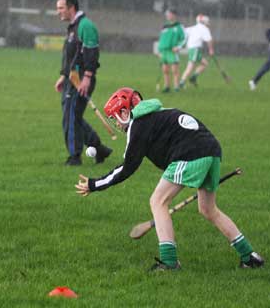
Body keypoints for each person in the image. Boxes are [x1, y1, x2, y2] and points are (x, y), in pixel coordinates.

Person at [75, 87, 264, 271]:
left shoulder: (139, 125)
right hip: (212, 151)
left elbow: (127, 167)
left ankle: (169, 262)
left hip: (191, 154)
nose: (115, 123)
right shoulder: (158, 114)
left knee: (158, 201)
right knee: (208, 209)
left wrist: (94, 184)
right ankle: (250, 257)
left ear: (124, 112)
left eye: (114, 117)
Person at [54, 0, 112, 166]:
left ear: (71, 7)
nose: (58, 12)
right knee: (74, 117)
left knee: (70, 117)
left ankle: (74, 156)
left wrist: (87, 77)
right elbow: (73, 56)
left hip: (80, 80)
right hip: (71, 79)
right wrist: (63, 76)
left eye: (61, 8)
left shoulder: (85, 26)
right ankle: (99, 149)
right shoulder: (73, 27)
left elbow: (91, 54)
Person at [180, 14, 214, 88]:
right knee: (190, 66)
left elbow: (183, 32)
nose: (208, 23)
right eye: (207, 21)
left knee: (205, 63)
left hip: (193, 49)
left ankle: (193, 77)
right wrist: (211, 50)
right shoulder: (204, 29)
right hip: (195, 49)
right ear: (203, 21)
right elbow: (209, 40)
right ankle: (181, 83)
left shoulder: (193, 28)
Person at [157, 8, 186, 92]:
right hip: (164, 51)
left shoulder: (179, 26)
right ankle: (167, 87)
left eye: (169, 14)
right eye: (167, 14)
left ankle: (176, 87)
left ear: (174, 15)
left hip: (172, 51)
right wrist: (159, 50)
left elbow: (184, 39)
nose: (167, 16)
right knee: (165, 70)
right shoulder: (165, 26)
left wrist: (178, 47)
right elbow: (161, 39)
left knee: (174, 70)